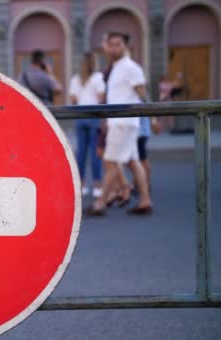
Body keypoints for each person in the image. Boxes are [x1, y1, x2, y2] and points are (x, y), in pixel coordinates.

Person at [85, 32, 153, 216]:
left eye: (118, 44)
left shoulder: (131, 67)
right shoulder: (116, 67)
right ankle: (145, 201)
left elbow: (142, 94)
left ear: (126, 46)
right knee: (132, 161)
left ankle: (100, 203)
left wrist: (152, 117)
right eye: (111, 44)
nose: (114, 48)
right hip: (120, 121)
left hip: (123, 122)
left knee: (110, 160)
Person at [69, 53, 105, 197]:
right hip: (94, 116)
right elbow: (102, 97)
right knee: (95, 152)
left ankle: (82, 185)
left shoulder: (75, 79)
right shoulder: (98, 78)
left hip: (80, 117)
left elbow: (72, 99)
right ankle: (97, 186)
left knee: (81, 153)